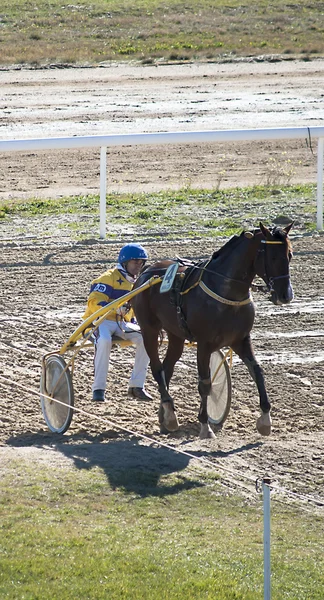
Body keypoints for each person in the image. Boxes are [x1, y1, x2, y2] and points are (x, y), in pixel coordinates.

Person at [83, 243, 152, 402]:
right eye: (135, 262)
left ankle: (137, 386)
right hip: (100, 322)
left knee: (147, 338)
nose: (138, 266)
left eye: (141, 263)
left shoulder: (137, 283)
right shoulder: (107, 278)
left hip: (122, 324)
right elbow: (94, 303)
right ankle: (98, 390)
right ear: (124, 262)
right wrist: (115, 310)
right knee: (105, 341)